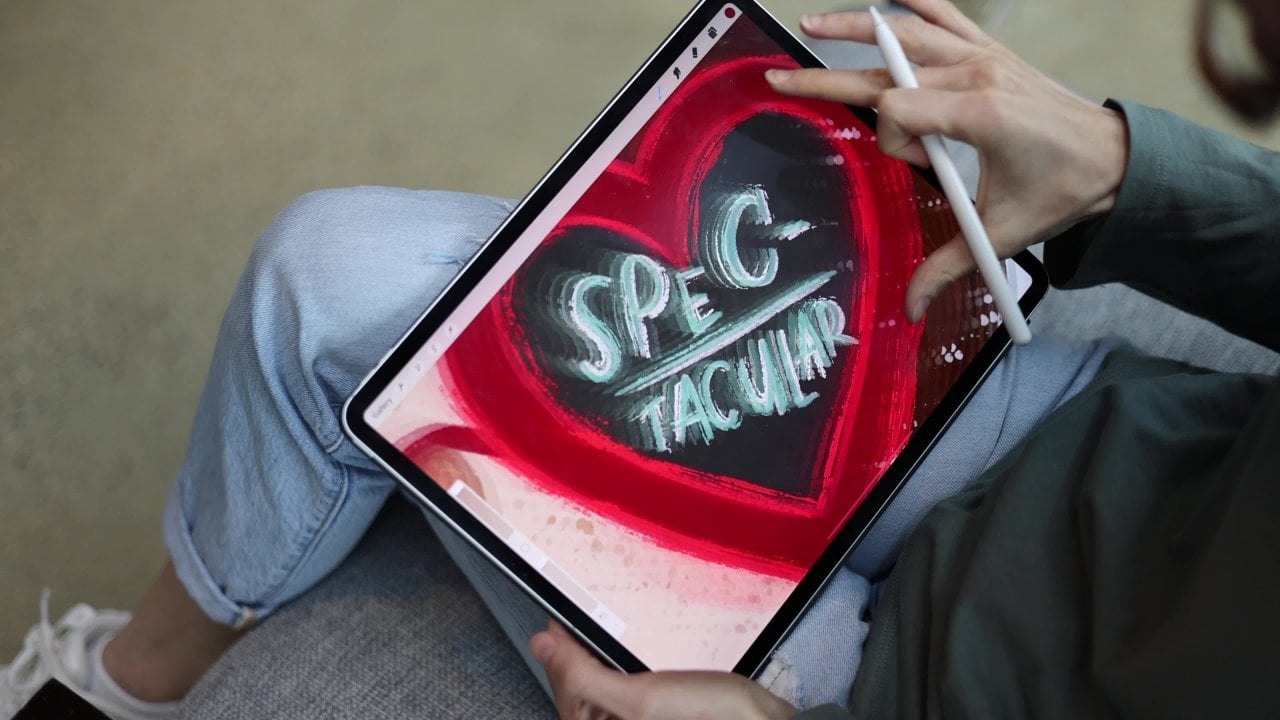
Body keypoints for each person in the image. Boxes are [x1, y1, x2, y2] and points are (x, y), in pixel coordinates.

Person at [3, 0, 1277, 718]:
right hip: (1079, 436)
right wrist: (1125, 168)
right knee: (321, 269)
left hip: (898, 687)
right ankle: (137, 680)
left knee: (393, 350)